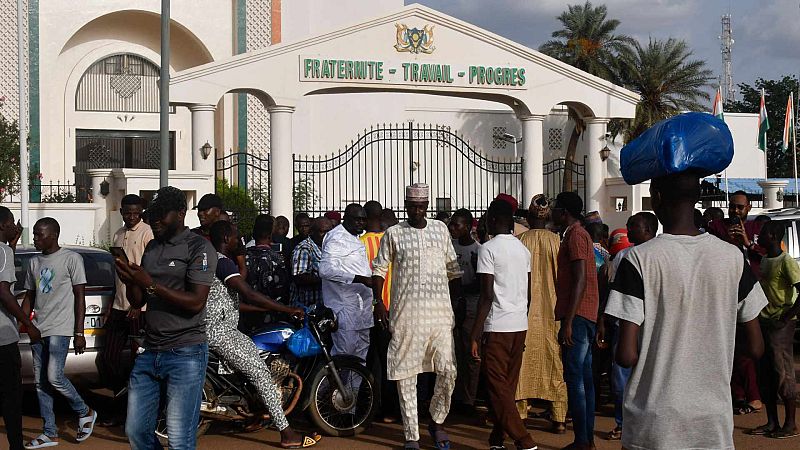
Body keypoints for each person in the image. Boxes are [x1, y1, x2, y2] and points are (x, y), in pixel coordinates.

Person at [606, 171, 767, 450]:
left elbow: (626, 354)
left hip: (652, 424)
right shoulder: (732, 258)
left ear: (656, 198)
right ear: (696, 199)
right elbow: (756, 347)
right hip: (712, 423)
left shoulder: (638, 259)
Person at [114, 186, 217, 450]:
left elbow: (196, 302)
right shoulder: (152, 248)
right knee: (136, 432)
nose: (155, 220)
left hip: (185, 352)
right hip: (150, 349)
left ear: (181, 213)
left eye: (162, 214)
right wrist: (130, 281)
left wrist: (149, 284)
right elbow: (139, 301)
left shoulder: (199, 247)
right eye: (152, 215)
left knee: (180, 439)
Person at [207, 221, 319, 447]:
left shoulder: (211, 261)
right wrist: (287, 309)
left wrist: (267, 308)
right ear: (227, 237)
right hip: (220, 332)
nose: (241, 240)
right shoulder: (222, 263)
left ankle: (255, 414)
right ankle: (287, 433)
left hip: (216, 328)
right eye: (237, 236)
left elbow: (231, 303)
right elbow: (248, 293)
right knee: (261, 373)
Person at [372, 183, 462, 450]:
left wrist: (457, 305)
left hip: (440, 316)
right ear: (406, 206)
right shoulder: (394, 233)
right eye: (412, 207)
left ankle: (436, 421)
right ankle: (412, 435)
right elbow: (379, 269)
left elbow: (453, 269)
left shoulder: (440, 229)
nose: (416, 211)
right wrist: (379, 303)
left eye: (421, 207)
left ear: (427, 207)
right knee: (406, 376)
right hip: (406, 315)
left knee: (448, 369)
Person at [21, 218, 96, 448]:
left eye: (38, 235)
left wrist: (79, 331)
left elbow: (80, 297)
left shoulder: (71, 259)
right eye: (34, 234)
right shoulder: (34, 262)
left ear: (53, 235)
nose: (35, 238)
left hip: (60, 329)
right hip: (38, 330)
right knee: (41, 383)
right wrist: (23, 325)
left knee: (54, 376)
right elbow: (30, 297)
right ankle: (49, 432)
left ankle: (85, 411)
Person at [470, 199, 537, 450]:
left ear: (496, 221)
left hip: (496, 325)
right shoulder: (523, 250)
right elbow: (528, 293)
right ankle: (497, 437)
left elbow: (486, 296)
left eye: (487, 217)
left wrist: (475, 334)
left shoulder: (488, 250)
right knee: (506, 387)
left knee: (497, 387)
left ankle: (524, 439)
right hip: (519, 324)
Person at [597, 212, 657, 441]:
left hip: (644, 326)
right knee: (621, 377)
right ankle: (624, 423)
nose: (628, 230)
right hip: (626, 322)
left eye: (633, 226)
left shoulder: (633, 256)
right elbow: (615, 292)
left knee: (628, 375)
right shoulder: (623, 255)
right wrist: (604, 319)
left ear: (648, 229)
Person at [707, 191, 765, 415]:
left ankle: (751, 395)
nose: (735, 211)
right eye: (732, 206)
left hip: (749, 295)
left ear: (748, 208)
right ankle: (737, 395)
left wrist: (747, 242)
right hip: (722, 295)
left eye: (740, 207)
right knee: (726, 347)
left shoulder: (755, 229)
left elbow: (764, 257)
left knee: (747, 349)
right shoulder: (716, 228)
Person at [100, 194, 154, 427]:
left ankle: (136, 413)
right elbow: (118, 274)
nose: (132, 216)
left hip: (139, 308)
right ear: (121, 211)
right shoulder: (118, 234)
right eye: (127, 212)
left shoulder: (147, 233)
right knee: (110, 359)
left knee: (138, 361)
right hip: (119, 306)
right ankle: (120, 404)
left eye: (136, 212)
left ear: (141, 211)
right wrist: (112, 304)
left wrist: (137, 304)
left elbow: (147, 272)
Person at [515, 195, 568, 434]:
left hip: (523, 311)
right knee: (554, 361)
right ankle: (558, 418)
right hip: (552, 311)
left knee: (522, 363)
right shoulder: (557, 241)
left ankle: (521, 414)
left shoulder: (519, 241)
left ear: (527, 216)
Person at [551, 192, 598, 450]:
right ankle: (586, 439)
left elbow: (580, 278)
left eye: (556, 208)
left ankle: (582, 440)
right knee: (585, 379)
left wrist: (568, 321)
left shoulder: (576, 235)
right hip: (584, 314)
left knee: (576, 378)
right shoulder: (576, 234)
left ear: (564, 211)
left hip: (578, 316)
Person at [747, 220, 800, 439]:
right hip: (766, 320)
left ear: (773, 235)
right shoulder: (767, 260)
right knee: (766, 373)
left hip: (780, 322)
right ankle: (772, 422)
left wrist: (787, 316)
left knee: (783, 372)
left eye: (763, 233)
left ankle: (790, 424)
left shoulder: (786, 261)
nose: (760, 237)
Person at [0, 207, 39, 450]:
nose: (17, 226)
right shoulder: (2, 251)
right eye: (12, 222)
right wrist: (28, 323)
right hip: (3, 338)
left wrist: (11, 245)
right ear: (3, 225)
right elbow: (3, 291)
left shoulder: (5, 251)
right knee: (11, 396)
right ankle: (16, 445)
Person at [360, 200, 399, 423]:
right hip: (393, 307)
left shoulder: (359, 243)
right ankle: (391, 409)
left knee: (372, 361)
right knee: (391, 361)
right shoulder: (392, 240)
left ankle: (371, 407)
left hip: (369, 310)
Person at [319, 204, 374, 361]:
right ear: (346, 218)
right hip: (345, 309)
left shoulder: (355, 238)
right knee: (345, 356)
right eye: (357, 219)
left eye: (363, 220)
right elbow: (325, 270)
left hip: (362, 310)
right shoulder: (337, 238)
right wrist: (360, 279)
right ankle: (334, 386)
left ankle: (352, 387)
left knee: (360, 357)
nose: (361, 223)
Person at [448, 208, 482, 412]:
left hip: (471, 307)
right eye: (451, 224)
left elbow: (481, 283)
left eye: (456, 225)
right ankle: (456, 395)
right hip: (452, 305)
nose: (452, 228)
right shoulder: (450, 247)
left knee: (471, 353)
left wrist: (461, 290)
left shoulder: (477, 251)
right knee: (454, 353)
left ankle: (469, 398)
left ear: (468, 227)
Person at [243, 214, 291, 333]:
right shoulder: (277, 259)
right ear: (271, 235)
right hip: (272, 314)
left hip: (247, 314)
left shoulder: (244, 256)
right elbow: (283, 289)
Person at [291, 217, 333, 308]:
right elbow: (298, 277)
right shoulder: (304, 248)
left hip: (325, 303)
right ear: (312, 232)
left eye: (329, 232)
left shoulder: (330, 248)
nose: (327, 236)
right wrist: (325, 280)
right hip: (306, 306)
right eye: (323, 232)